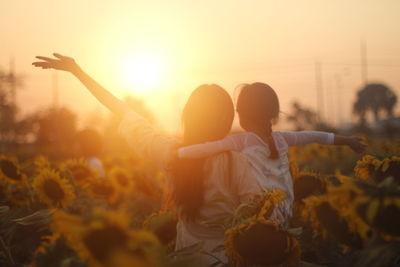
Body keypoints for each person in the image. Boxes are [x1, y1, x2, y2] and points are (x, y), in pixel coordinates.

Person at [32, 54, 264, 265]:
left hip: (184, 259)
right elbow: (258, 217)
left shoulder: (170, 153)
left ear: (189, 117)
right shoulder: (237, 162)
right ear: (226, 118)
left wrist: (78, 72)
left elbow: (123, 111)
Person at [178, 82, 367, 222]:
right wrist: (348, 141)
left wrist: (179, 153)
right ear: (273, 114)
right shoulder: (281, 138)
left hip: (263, 215)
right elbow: (315, 136)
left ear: (243, 115)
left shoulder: (242, 141)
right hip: (286, 210)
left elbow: (209, 147)